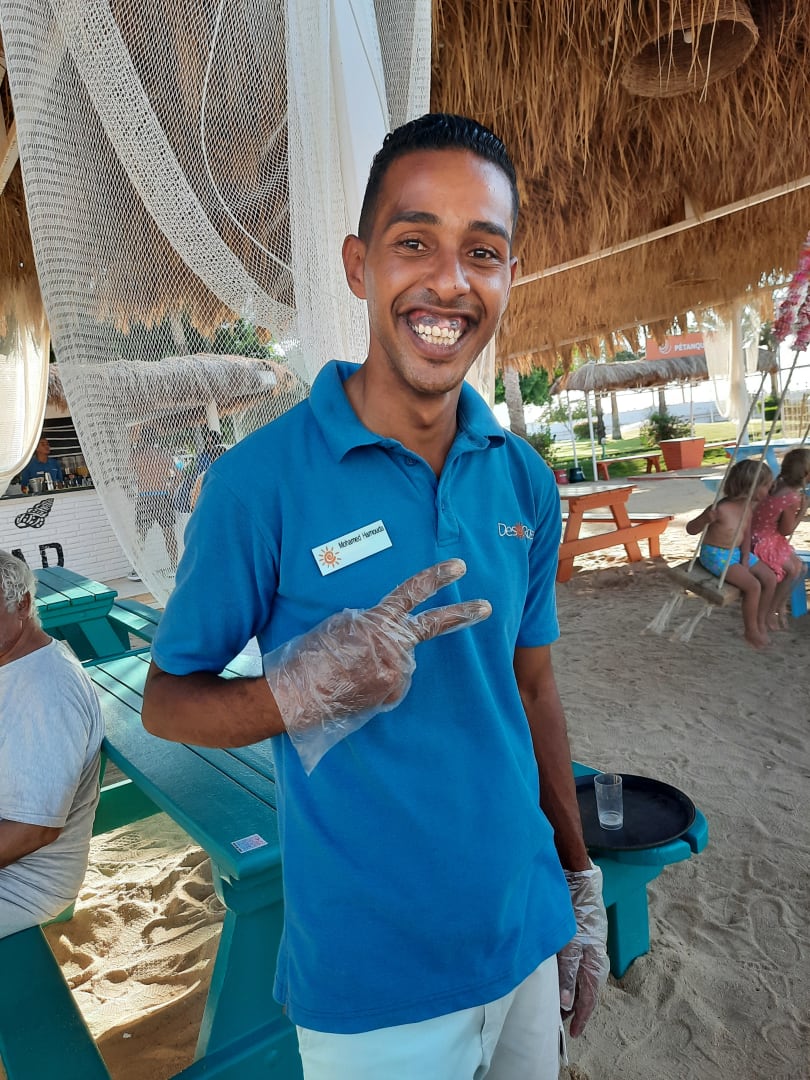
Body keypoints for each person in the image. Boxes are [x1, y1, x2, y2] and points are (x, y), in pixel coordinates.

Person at [142, 113, 608, 1079]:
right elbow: (166, 703)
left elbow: (532, 690)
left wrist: (577, 879)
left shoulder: (522, 477)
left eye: (483, 252)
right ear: (360, 266)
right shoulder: (258, 485)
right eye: (414, 243)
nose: (449, 281)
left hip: (524, 928)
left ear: (508, 278)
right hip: (373, 982)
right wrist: (297, 689)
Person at [0, 550, 104, 937]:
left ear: (23, 603)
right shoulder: (15, 664)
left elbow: (33, 829)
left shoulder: (47, 689)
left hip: (22, 884)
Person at [686, 458, 778, 648]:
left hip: (737, 551)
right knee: (753, 586)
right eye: (766, 485)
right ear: (751, 486)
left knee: (770, 578)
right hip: (716, 554)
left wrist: (745, 557)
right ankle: (751, 630)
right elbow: (691, 529)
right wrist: (704, 519)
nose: (770, 488)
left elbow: (745, 534)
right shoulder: (720, 509)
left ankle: (761, 620)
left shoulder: (748, 507)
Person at [751, 446, 810, 626]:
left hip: (763, 536)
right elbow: (786, 530)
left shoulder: (778, 483)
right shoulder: (792, 498)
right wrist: (803, 511)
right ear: (806, 474)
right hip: (761, 542)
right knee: (793, 570)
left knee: (801, 567)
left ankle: (781, 606)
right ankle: (771, 611)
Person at [131, 431, 179, 570]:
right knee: (169, 533)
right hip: (162, 495)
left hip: (145, 496)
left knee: (141, 534)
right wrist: (171, 488)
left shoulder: (137, 456)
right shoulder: (164, 455)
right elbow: (180, 473)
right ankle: (174, 565)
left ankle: (137, 567)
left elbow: (126, 472)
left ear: (142, 439)